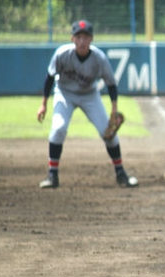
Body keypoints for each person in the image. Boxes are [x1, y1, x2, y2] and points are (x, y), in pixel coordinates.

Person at [37, 19, 138, 189]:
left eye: (86, 37)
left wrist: (114, 110)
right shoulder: (62, 54)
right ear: (72, 39)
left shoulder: (99, 58)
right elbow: (49, 78)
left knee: (108, 133)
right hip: (65, 93)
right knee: (58, 128)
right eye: (78, 37)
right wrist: (44, 104)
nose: (82, 41)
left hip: (89, 95)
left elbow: (111, 84)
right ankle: (52, 175)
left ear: (91, 40)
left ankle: (121, 173)